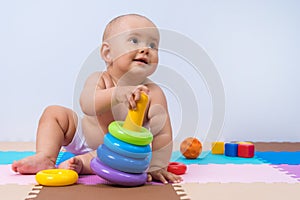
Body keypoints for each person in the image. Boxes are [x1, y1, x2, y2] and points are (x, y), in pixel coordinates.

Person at [12, 14, 182, 184]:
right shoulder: (100, 78)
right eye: (134, 41)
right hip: (85, 136)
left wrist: (158, 165)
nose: (146, 49)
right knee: (54, 113)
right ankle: (46, 156)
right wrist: (118, 93)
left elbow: (162, 132)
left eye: (153, 45)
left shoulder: (153, 93)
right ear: (108, 53)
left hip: (118, 152)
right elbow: (87, 105)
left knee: (123, 164)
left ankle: (82, 164)